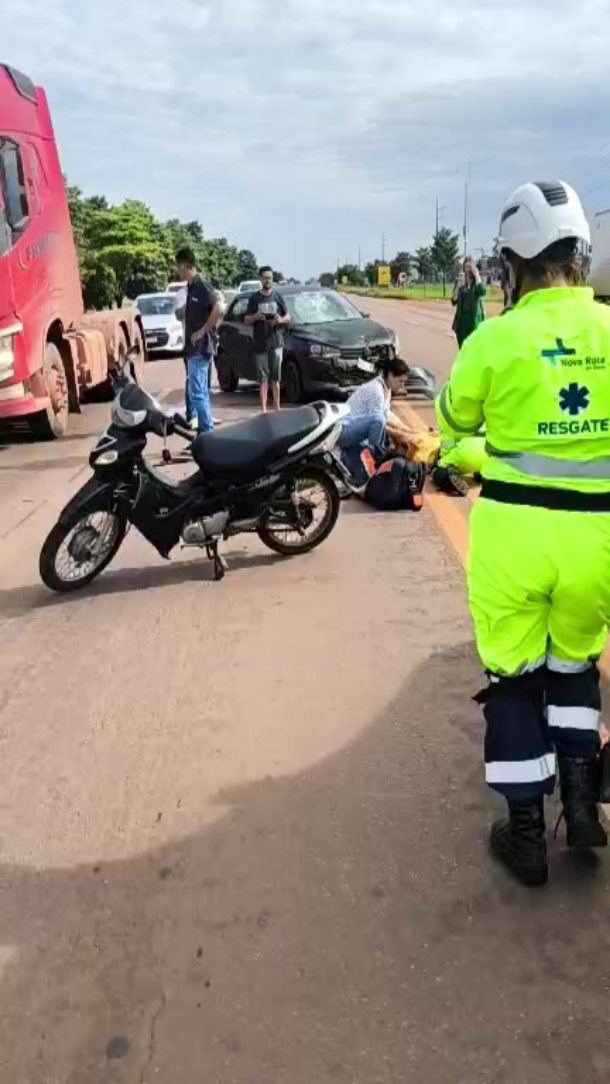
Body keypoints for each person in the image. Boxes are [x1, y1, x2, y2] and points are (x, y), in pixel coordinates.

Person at [437, 179, 610, 887]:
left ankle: (528, 836)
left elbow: (453, 422)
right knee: (574, 668)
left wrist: (476, 452)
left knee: (513, 678)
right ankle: (582, 807)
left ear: (512, 264)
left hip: (514, 538)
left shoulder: (494, 337)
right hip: (597, 543)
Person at [176, 247, 222, 433]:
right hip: (192, 350)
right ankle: (206, 432)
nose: (178, 271)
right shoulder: (191, 288)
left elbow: (218, 308)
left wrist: (202, 332)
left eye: (179, 267)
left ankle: (207, 432)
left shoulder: (202, 286)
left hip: (200, 349)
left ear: (187, 266)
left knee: (196, 394)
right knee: (200, 393)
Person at [340, 356, 409, 459]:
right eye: (400, 381)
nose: (402, 385)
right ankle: (374, 456)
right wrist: (401, 436)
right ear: (390, 375)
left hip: (358, 427)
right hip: (346, 431)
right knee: (378, 420)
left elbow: (387, 414)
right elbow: (379, 423)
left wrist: (407, 430)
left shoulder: (386, 389)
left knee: (382, 421)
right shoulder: (376, 391)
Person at [245, 267, 291, 412]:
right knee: (263, 379)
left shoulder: (278, 296)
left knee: (276, 378)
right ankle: (264, 409)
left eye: (270, 278)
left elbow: (288, 316)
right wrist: (255, 317)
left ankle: (277, 408)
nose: (267, 280)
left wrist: (280, 320)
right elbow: (246, 319)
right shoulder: (254, 298)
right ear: (260, 279)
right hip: (260, 343)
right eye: (265, 277)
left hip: (276, 342)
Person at [451, 257, 486, 347]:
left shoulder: (477, 282)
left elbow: (482, 292)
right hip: (462, 322)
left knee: (475, 349)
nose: (468, 270)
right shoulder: (460, 281)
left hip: (474, 321)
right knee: (462, 349)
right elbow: (454, 301)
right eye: (466, 267)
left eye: (470, 267)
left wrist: (477, 275)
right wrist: (458, 287)